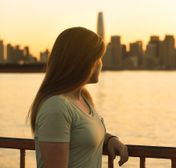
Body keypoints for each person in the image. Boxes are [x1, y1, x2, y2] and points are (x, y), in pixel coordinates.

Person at [27, 27, 128, 168]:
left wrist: (110, 139)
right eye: (98, 58)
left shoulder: (83, 98)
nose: (101, 63)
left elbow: (82, 134)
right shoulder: (56, 107)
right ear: (82, 62)